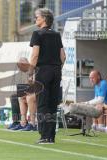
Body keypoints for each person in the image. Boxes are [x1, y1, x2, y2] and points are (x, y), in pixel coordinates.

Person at [29, 8, 66, 144]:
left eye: (37, 17)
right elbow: (63, 56)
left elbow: (35, 55)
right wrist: (56, 68)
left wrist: (30, 73)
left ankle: (44, 136)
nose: (35, 19)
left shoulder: (37, 34)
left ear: (44, 18)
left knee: (42, 104)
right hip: (56, 71)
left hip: (43, 71)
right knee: (52, 104)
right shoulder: (56, 35)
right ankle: (51, 136)